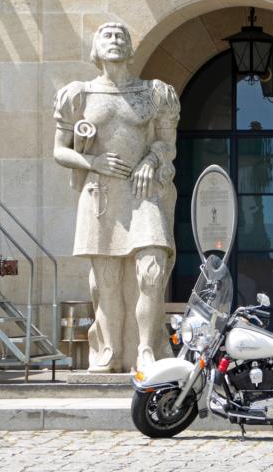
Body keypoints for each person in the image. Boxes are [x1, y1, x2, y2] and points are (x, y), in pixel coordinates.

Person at [53, 22, 180, 372]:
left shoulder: (153, 93)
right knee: (106, 283)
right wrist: (92, 162)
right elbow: (59, 150)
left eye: (121, 36)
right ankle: (110, 350)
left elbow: (168, 144)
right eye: (107, 36)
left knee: (152, 271)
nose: (115, 40)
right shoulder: (79, 95)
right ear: (96, 48)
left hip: (143, 193)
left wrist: (152, 160)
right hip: (102, 196)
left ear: (130, 48)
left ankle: (146, 348)